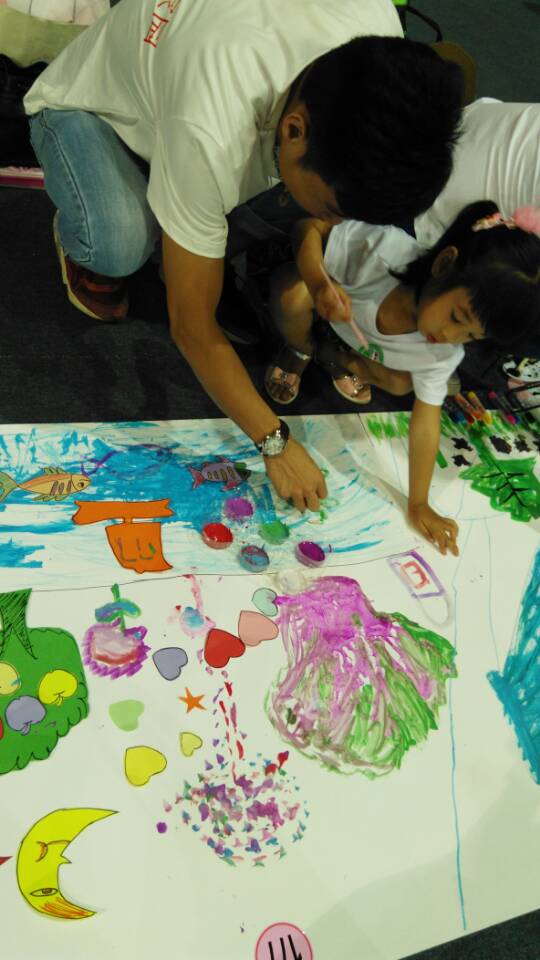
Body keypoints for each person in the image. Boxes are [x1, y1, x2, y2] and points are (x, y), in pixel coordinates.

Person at [23, 0, 465, 514]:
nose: (336, 225)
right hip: (97, 109)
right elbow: (191, 325)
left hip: (186, 110)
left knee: (233, 217)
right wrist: (274, 442)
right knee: (120, 245)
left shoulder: (378, 37)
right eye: (332, 210)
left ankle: (185, 216)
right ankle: (91, 217)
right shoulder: (211, 121)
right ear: (294, 129)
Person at [266, 201, 540, 553]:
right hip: (322, 311)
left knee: (401, 384)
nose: (451, 336)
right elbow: (307, 227)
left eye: (471, 336)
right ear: (443, 264)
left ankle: (333, 359)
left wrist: (419, 504)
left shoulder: (443, 352)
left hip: (355, 347)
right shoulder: (381, 252)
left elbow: (426, 423)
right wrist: (319, 284)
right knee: (292, 294)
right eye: (457, 317)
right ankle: (300, 349)